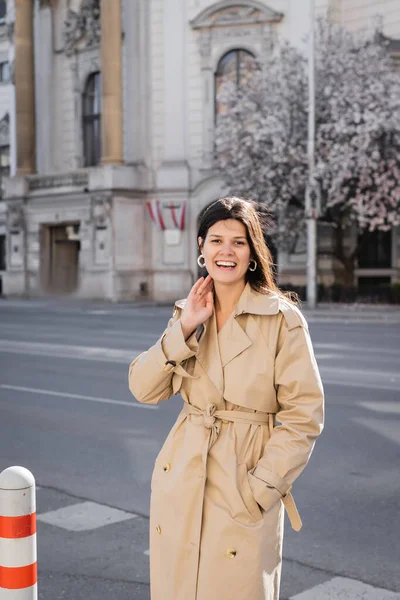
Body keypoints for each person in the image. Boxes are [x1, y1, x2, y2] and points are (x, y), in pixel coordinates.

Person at [128, 197, 324, 600]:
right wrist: (184, 328)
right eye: (216, 240)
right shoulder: (189, 311)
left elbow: (305, 415)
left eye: (238, 242)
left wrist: (261, 488)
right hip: (182, 475)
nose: (226, 251)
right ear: (201, 247)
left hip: (243, 480)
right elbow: (143, 389)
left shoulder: (281, 318)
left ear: (253, 252)